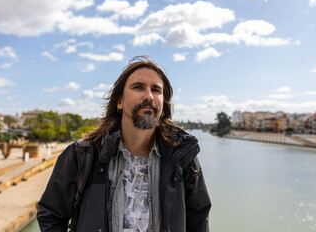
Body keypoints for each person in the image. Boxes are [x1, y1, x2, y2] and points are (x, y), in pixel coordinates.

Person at [37, 56, 211, 232]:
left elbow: (199, 218)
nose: (149, 96)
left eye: (156, 90)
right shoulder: (82, 154)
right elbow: (51, 215)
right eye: (138, 87)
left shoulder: (182, 157)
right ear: (119, 101)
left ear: (163, 105)